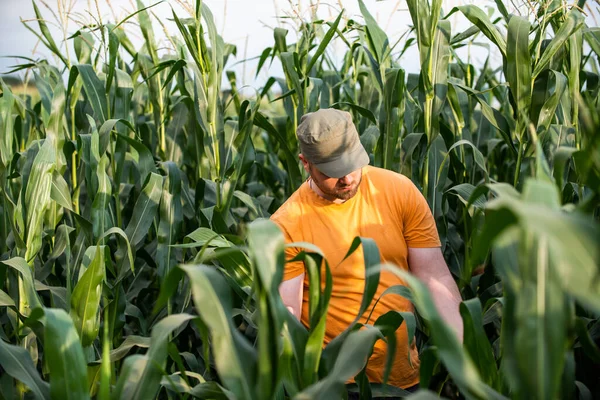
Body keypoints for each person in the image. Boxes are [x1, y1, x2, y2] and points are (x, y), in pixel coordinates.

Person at [270, 108, 463, 395]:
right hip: (334, 385)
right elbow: (288, 314)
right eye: (332, 172)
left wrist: (467, 357)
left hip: (402, 380)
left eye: (352, 164)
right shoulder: (287, 224)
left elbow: (434, 277)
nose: (347, 178)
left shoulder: (400, 192)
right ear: (306, 164)